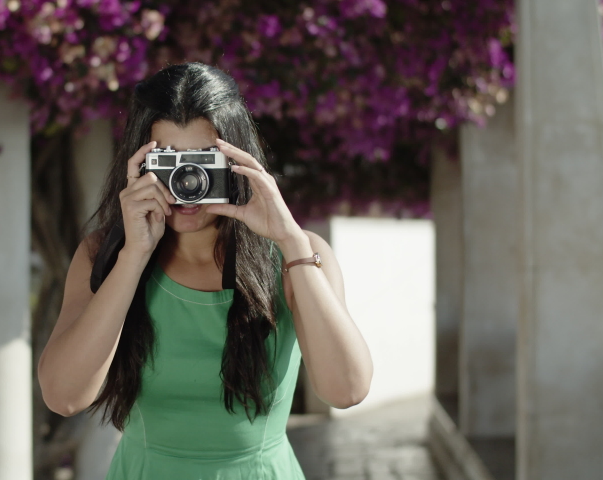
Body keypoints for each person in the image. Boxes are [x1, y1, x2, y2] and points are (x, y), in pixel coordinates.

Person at [37, 63, 373, 479]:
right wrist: (134, 255)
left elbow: (347, 390)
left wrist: (291, 242)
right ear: (138, 163)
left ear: (237, 160)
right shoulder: (104, 255)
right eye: (169, 161)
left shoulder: (299, 255)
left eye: (202, 160)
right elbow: (64, 397)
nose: (187, 181)